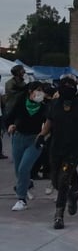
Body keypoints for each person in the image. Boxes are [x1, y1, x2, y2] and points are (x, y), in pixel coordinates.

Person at [37, 74, 78, 229]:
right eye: (64, 86)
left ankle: (59, 215)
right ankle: (72, 196)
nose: (67, 89)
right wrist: (41, 136)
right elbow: (49, 122)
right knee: (56, 181)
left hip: (74, 148)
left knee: (64, 179)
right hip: (56, 147)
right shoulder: (54, 104)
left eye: (70, 86)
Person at [7, 82, 49, 211]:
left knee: (24, 168)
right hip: (18, 138)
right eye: (38, 90)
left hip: (34, 140)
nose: (40, 93)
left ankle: (21, 199)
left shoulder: (44, 107)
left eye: (42, 91)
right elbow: (9, 117)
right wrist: (10, 125)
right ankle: (26, 185)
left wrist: (44, 134)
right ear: (30, 92)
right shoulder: (20, 102)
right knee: (18, 170)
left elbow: (50, 121)